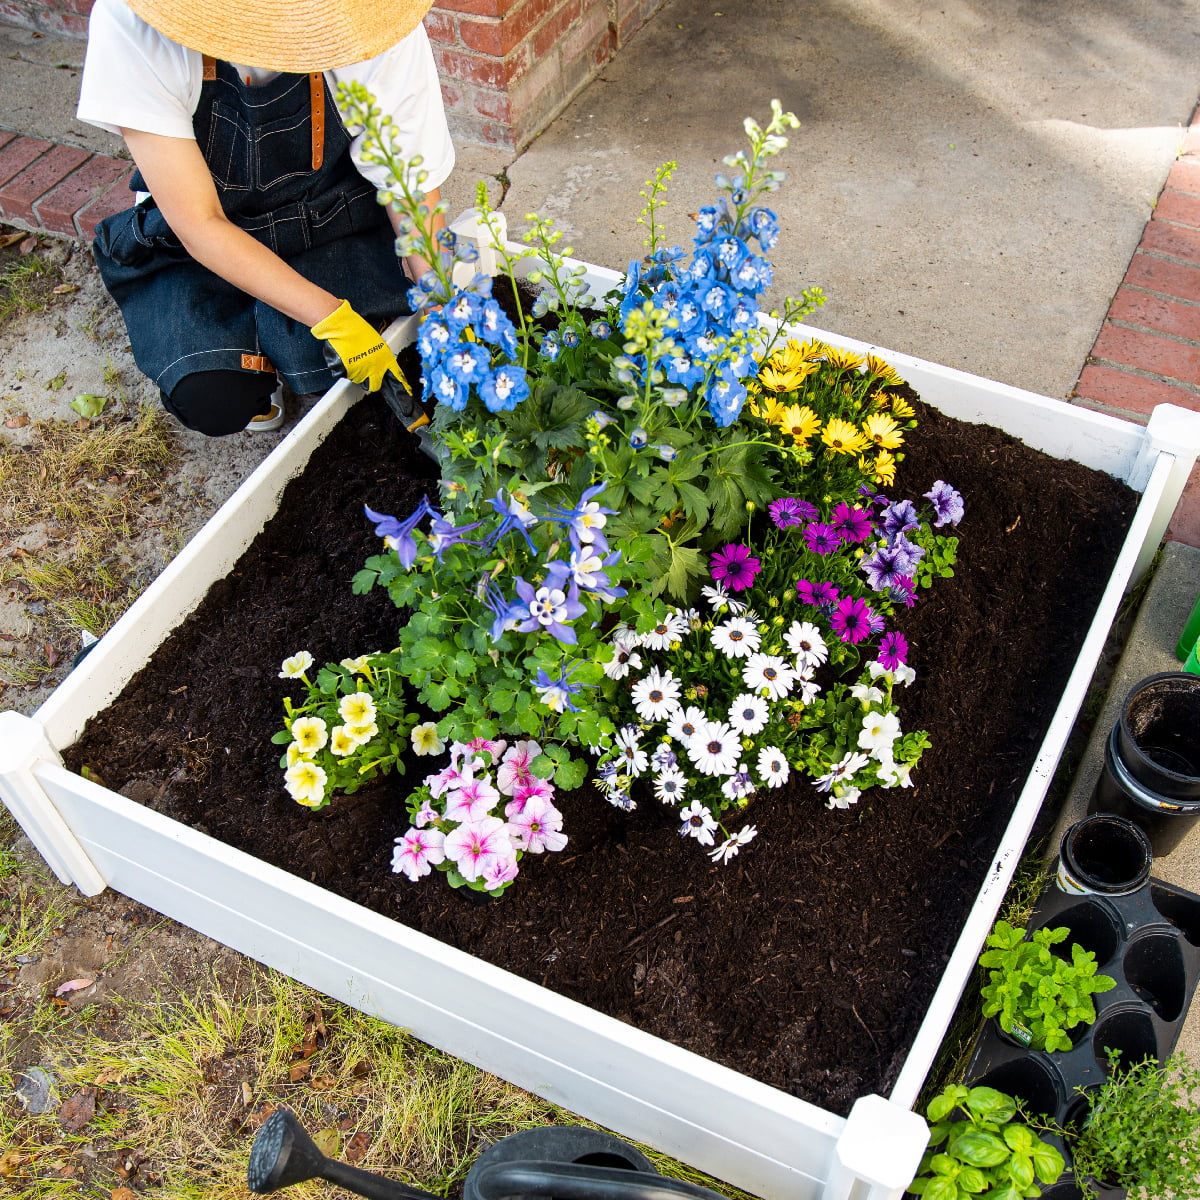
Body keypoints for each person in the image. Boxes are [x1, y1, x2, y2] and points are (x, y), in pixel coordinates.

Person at [76, 0, 453, 435]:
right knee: (214, 398)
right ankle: (256, 370)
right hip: (204, 234)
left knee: (347, 360)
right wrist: (334, 318)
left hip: (324, 213)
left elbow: (408, 184)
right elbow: (199, 223)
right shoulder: (135, 24)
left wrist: (441, 304)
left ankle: (289, 347)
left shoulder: (370, 22)